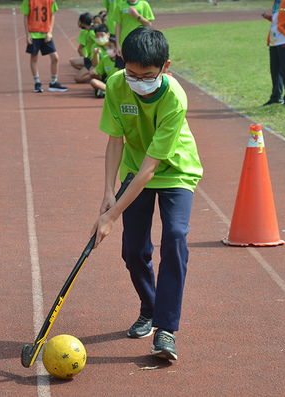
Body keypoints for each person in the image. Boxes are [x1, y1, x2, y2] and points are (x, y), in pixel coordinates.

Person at [91, 28, 203, 361]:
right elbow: (115, 141)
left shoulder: (174, 98)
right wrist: (108, 193)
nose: (139, 82)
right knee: (133, 251)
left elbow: (151, 170)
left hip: (174, 170)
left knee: (175, 237)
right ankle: (150, 306)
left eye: (148, 76)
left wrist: (111, 216)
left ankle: (165, 329)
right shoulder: (115, 85)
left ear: (165, 67)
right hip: (133, 169)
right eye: (132, 74)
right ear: (122, 62)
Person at [20, 0, 68, 93]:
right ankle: (37, 83)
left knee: (55, 57)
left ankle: (54, 82)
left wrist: (50, 32)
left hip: (46, 33)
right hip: (34, 33)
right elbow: (26, 16)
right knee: (34, 57)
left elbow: (52, 15)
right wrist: (28, 34)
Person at [262, 0, 285, 106]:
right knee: (275, 70)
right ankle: (276, 97)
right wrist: (269, 17)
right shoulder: (277, 1)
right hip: (274, 39)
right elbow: (279, 18)